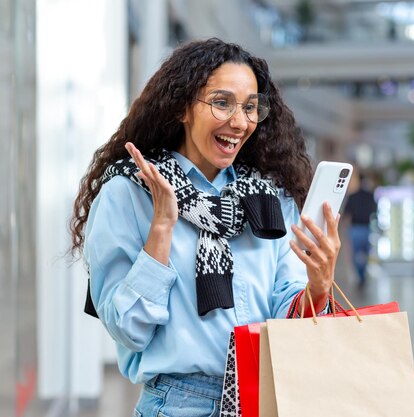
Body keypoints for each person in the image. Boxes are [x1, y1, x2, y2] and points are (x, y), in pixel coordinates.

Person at [69, 38, 340, 417]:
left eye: (249, 107)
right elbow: (128, 329)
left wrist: (318, 286)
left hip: (264, 399)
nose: (239, 121)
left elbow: (287, 316)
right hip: (177, 404)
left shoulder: (268, 198)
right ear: (182, 107)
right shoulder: (129, 194)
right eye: (221, 102)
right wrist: (162, 227)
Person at [343, 172, 377, 288]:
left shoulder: (352, 196)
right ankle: (363, 275)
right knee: (366, 253)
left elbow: (346, 214)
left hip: (355, 228)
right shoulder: (370, 195)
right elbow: (374, 210)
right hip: (366, 227)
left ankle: (360, 275)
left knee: (355, 254)